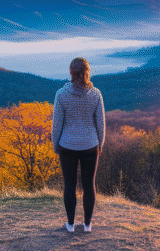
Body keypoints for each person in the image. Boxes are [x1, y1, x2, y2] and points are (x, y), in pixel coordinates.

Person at [52, 57, 105, 233]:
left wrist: (55, 145)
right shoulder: (96, 94)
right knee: (89, 185)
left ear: (71, 73)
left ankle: (70, 225)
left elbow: (57, 123)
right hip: (90, 145)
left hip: (67, 145)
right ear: (87, 72)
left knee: (69, 185)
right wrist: (100, 145)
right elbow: (100, 123)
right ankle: (88, 225)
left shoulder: (61, 94)